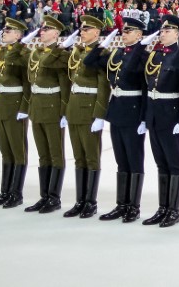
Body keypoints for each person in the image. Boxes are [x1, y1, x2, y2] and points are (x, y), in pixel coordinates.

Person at [141, 14, 179, 227]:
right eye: (162, 30)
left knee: (174, 163)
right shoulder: (156, 55)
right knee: (160, 163)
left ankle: (173, 209)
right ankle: (162, 208)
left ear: (177, 34)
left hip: (171, 115)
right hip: (154, 114)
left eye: (168, 31)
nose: (163, 33)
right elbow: (148, 87)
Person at [95, 15, 149, 223]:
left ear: (139, 35)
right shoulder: (117, 53)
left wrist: (144, 118)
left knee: (134, 160)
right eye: (123, 31)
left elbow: (143, 87)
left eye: (128, 31)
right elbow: (92, 62)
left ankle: (133, 206)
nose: (124, 34)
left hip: (133, 111)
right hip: (117, 110)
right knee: (121, 161)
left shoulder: (143, 56)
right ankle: (122, 204)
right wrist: (103, 44)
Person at [63, 14, 110, 218]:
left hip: (89, 108)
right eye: (81, 29)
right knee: (78, 158)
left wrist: (99, 114)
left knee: (91, 157)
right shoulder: (78, 51)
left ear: (97, 32)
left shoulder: (102, 53)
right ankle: (80, 200)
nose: (82, 32)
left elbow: (104, 86)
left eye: (86, 29)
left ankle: (91, 202)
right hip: (74, 107)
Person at [0, 18, 32, 209]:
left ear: (19, 35)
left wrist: (24, 108)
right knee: (6, 152)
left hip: (16, 104)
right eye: (4, 29)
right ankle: (5, 192)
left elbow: (28, 83)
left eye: (9, 30)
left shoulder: (24, 53)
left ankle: (16, 193)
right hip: (2, 104)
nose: (4, 32)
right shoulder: (2, 51)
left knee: (18, 151)